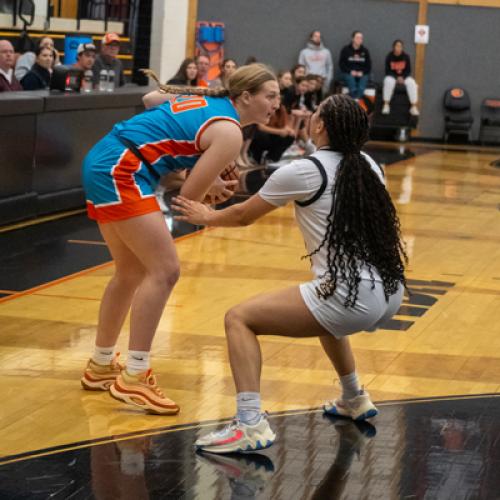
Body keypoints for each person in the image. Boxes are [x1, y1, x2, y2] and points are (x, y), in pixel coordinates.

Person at [172, 94, 407, 453]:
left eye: (314, 114)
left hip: (350, 295)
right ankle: (353, 397)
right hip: (389, 291)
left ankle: (250, 423)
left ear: (320, 125)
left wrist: (206, 215)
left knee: (239, 319)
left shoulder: (303, 170)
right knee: (323, 314)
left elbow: (243, 216)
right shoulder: (370, 165)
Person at [80, 64, 281, 415]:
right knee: (165, 270)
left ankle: (100, 365)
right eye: (271, 96)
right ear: (246, 96)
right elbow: (188, 197)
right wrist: (213, 187)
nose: (277, 104)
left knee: (130, 273)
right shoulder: (229, 132)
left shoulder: (212, 106)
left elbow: (151, 97)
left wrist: (205, 176)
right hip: (121, 168)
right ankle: (135, 375)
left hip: (105, 159)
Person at [382, 40, 419, 116]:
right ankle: (386, 105)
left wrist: (403, 77)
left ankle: (413, 107)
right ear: (393, 47)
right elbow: (387, 71)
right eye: (397, 46)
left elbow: (408, 70)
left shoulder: (406, 57)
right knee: (387, 81)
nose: (399, 48)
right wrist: (396, 78)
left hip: (404, 77)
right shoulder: (389, 56)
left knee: (412, 83)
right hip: (392, 77)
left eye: (400, 46)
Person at [339, 31, 372, 99]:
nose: (359, 39)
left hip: (361, 73)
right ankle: (354, 96)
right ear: (353, 39)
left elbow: (368, 66)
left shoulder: (365, 51)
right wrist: (351, 71)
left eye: (361, 38)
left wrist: (362, 72)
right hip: (348, 72)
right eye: (357, 37)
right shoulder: (345, 50)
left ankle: (356, 98)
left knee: (364, 79)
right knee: (350, 78)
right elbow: (341, 64)